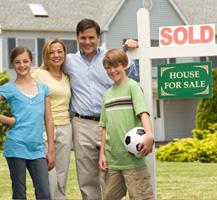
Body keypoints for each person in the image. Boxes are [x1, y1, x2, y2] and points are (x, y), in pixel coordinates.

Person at [63, 18, 139, 199]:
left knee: (112, 173)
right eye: (83, 38)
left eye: (91, 37)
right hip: (82, 124)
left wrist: (135, 47)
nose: (87, 42)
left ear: (98, 37)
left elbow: (134, 76)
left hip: (111, 122)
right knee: (87, 176)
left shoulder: (110, 58)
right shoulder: (68, 61)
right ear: (77, 38)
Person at [99, 49, 154, 200]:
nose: (112, 70)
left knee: (142, 196)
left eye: (115, 66)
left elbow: (143, 113)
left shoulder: (133, 87)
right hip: (114, 161)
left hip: (133, 160)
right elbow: (105, 126)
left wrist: (149, 135)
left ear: (125, 65)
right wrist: (102, 154)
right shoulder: (107, 95)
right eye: (108, 67)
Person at [0, 46, 55, 199]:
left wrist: (50, 151)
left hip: (37, 149)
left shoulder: (44, 88)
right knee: (19, 194)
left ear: (32, 62)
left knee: (44, 193)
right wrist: (8, 120)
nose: (22, 65)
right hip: (16, 146)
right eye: (17, 62)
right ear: (12, 65)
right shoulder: (9, 88)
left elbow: (49, 119)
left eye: (25, 61)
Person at [31, 38, 72, 199]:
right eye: (51, 52)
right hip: (43, 128)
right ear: (45, 55)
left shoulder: (67, 76)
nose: (56, 55)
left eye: (59, 51)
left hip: (65, 128)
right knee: (49, 174)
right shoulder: (38, 74)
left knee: (62, 176)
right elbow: (28, 98)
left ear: (64, 54)